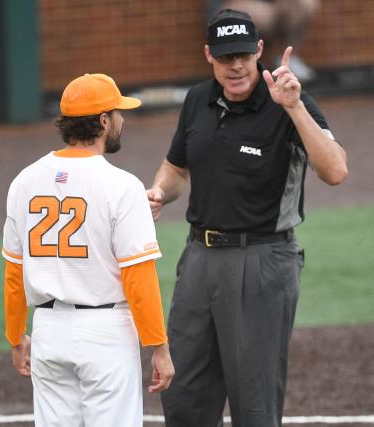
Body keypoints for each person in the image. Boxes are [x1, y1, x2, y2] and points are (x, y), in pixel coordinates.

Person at [147, 9, 347, 427]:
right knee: (183, 399)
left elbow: (335, 171)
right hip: (198, 260)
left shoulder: (289, 100)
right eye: (225, 57)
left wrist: (294, 109)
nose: (235, 66)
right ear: (208, 56)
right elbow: (176, 168)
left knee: (254, 406)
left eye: (243, 54)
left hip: (262, 260)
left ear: (259, 50)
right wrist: (160, 192)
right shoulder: (197, 100)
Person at [2, 73, 175, 426]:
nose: (123, 121)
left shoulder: (24, 180)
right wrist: (159, 347)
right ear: (103, 121)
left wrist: (16, 335)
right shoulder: (123, 186)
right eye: (118, 113)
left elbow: (14, 273)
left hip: (49, 332)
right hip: (106, 335)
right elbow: (138, 277)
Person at [209, 0, 320, 81]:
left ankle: (286, 60)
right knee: (263, 14)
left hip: (269, 5)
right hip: (229, 5)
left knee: (303, 3)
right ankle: (246, 68)